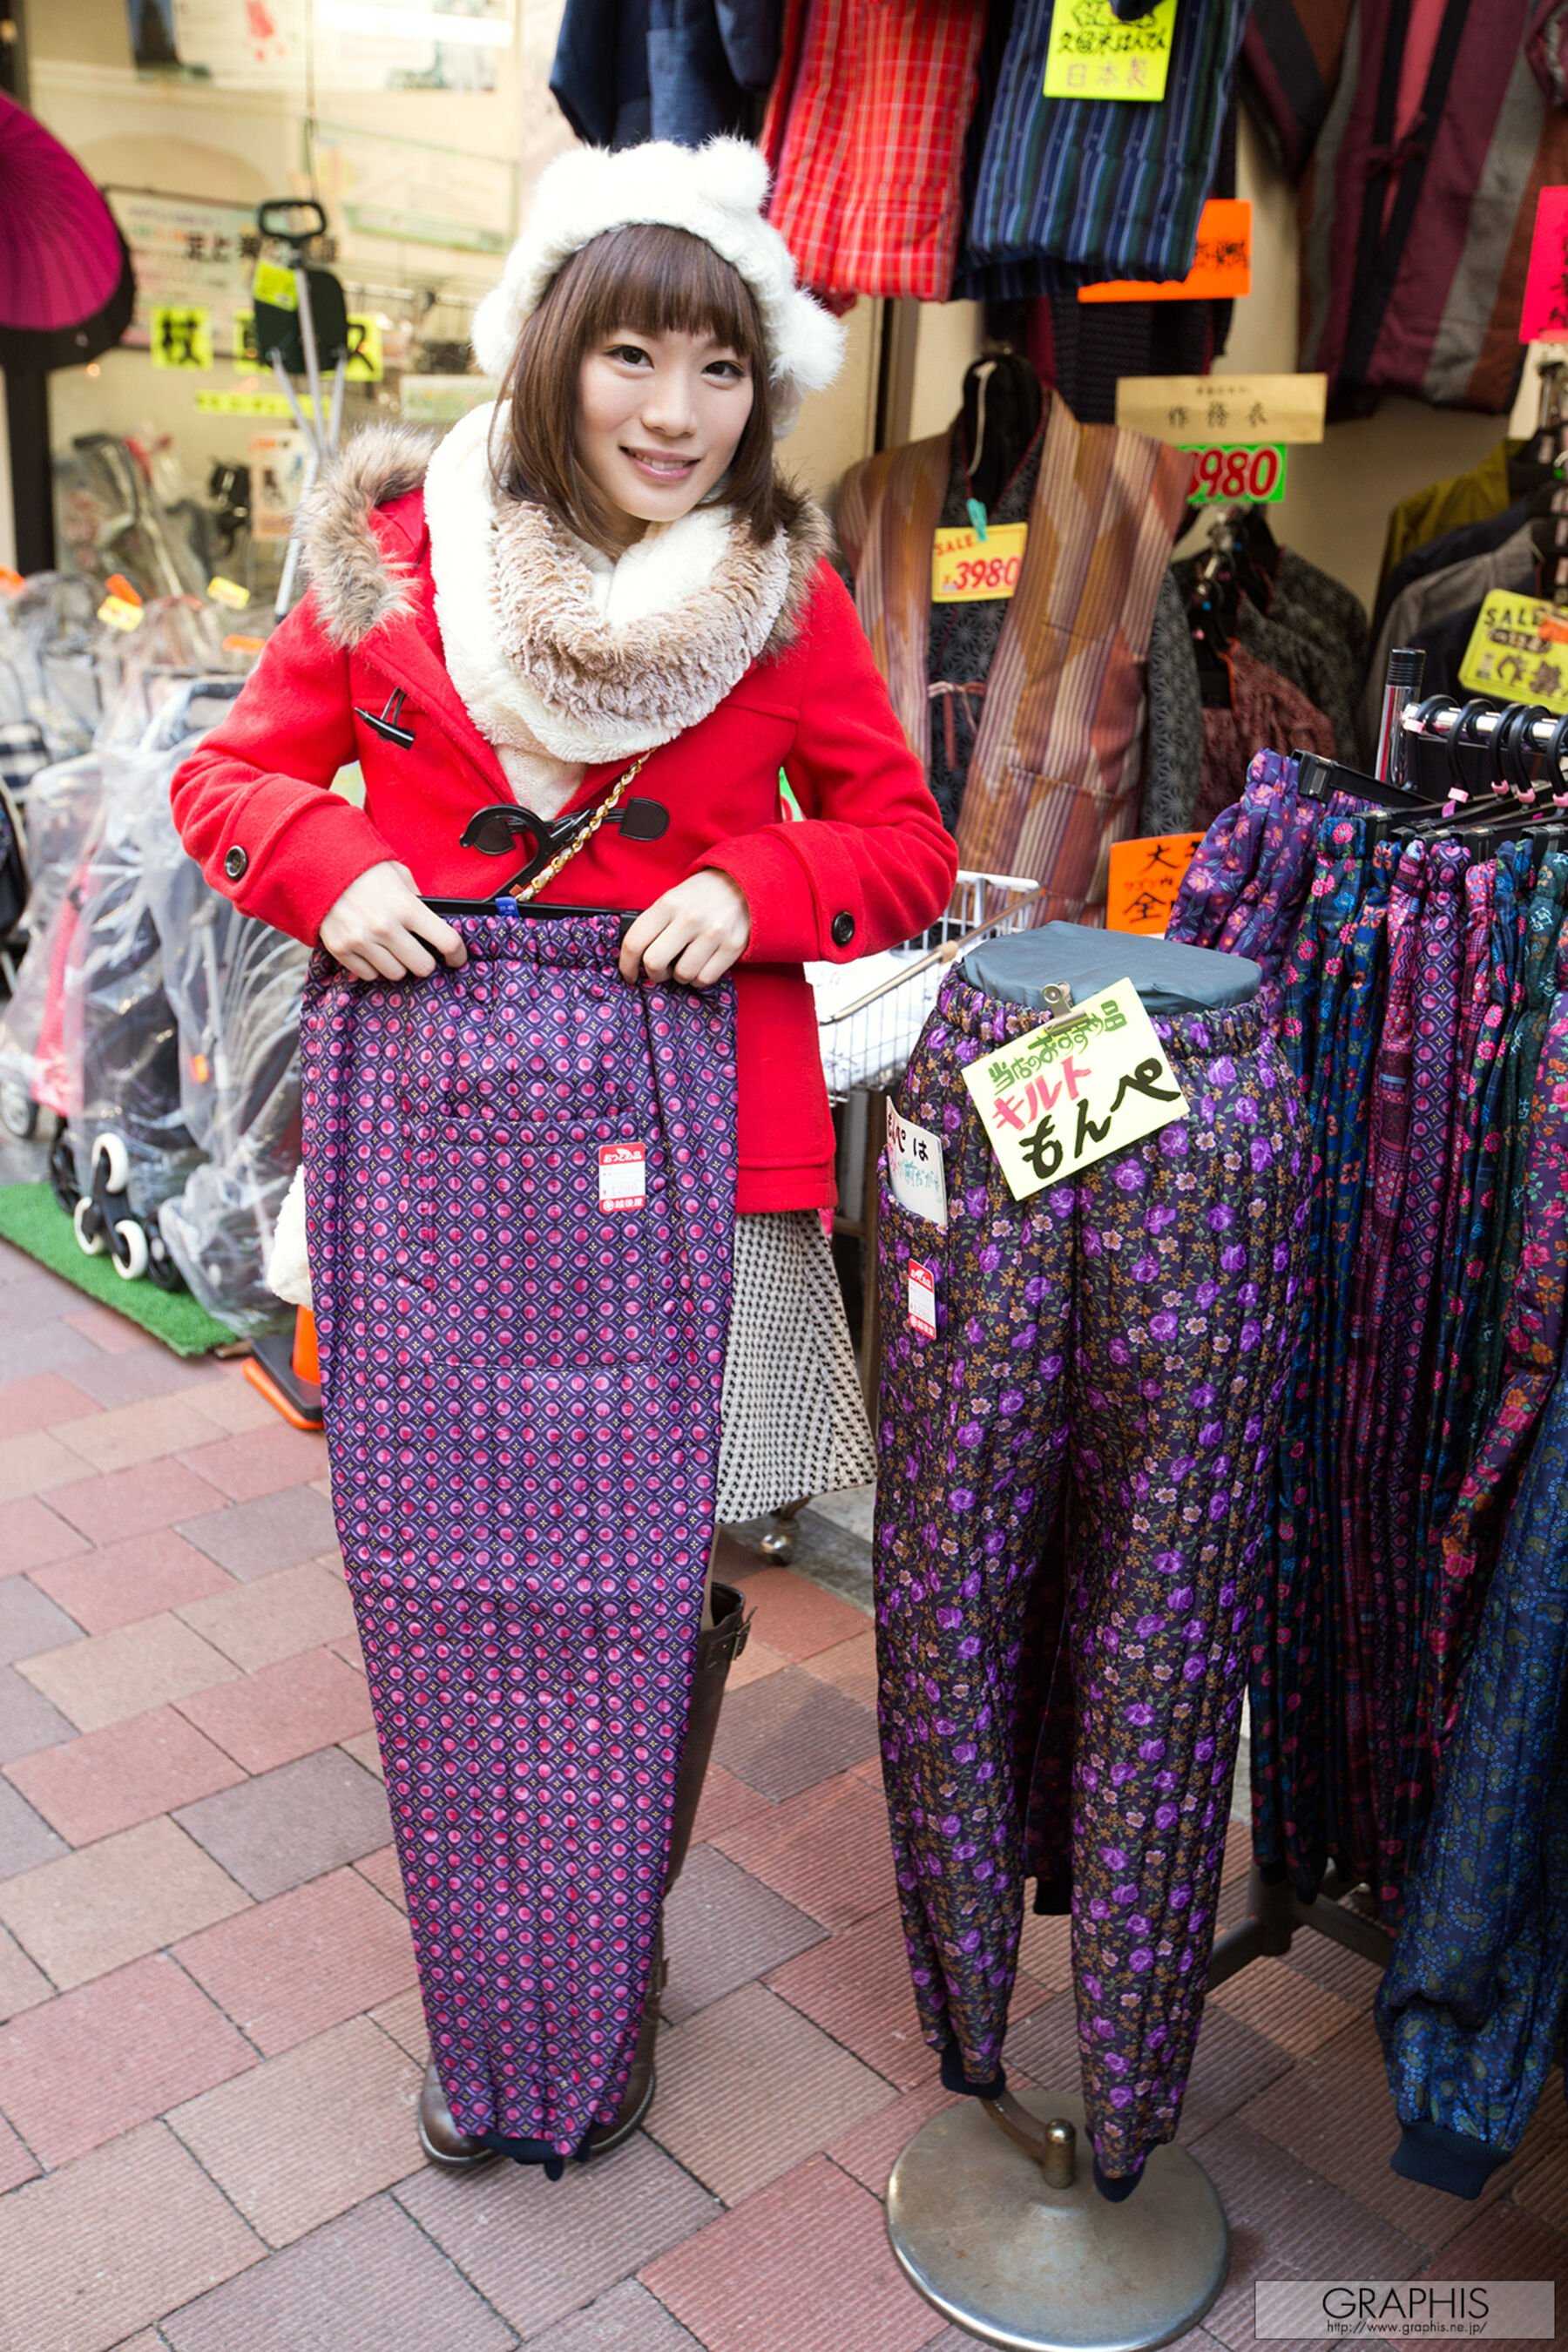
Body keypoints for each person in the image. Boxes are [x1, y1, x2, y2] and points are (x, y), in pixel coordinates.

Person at [169, 133, 956, 2173]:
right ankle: (502, 1979)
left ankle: (606, 1944)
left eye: (721, 368)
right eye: (632, 358)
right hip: (437, 1137)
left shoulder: (782, 597)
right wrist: (329, 860)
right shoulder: (394, 554)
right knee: (436, 1567)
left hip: (683, 1143)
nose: (676, 413)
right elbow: (228, 779)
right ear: (550, 351)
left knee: (652, 1576)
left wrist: (762, 884)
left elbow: (904, 845)